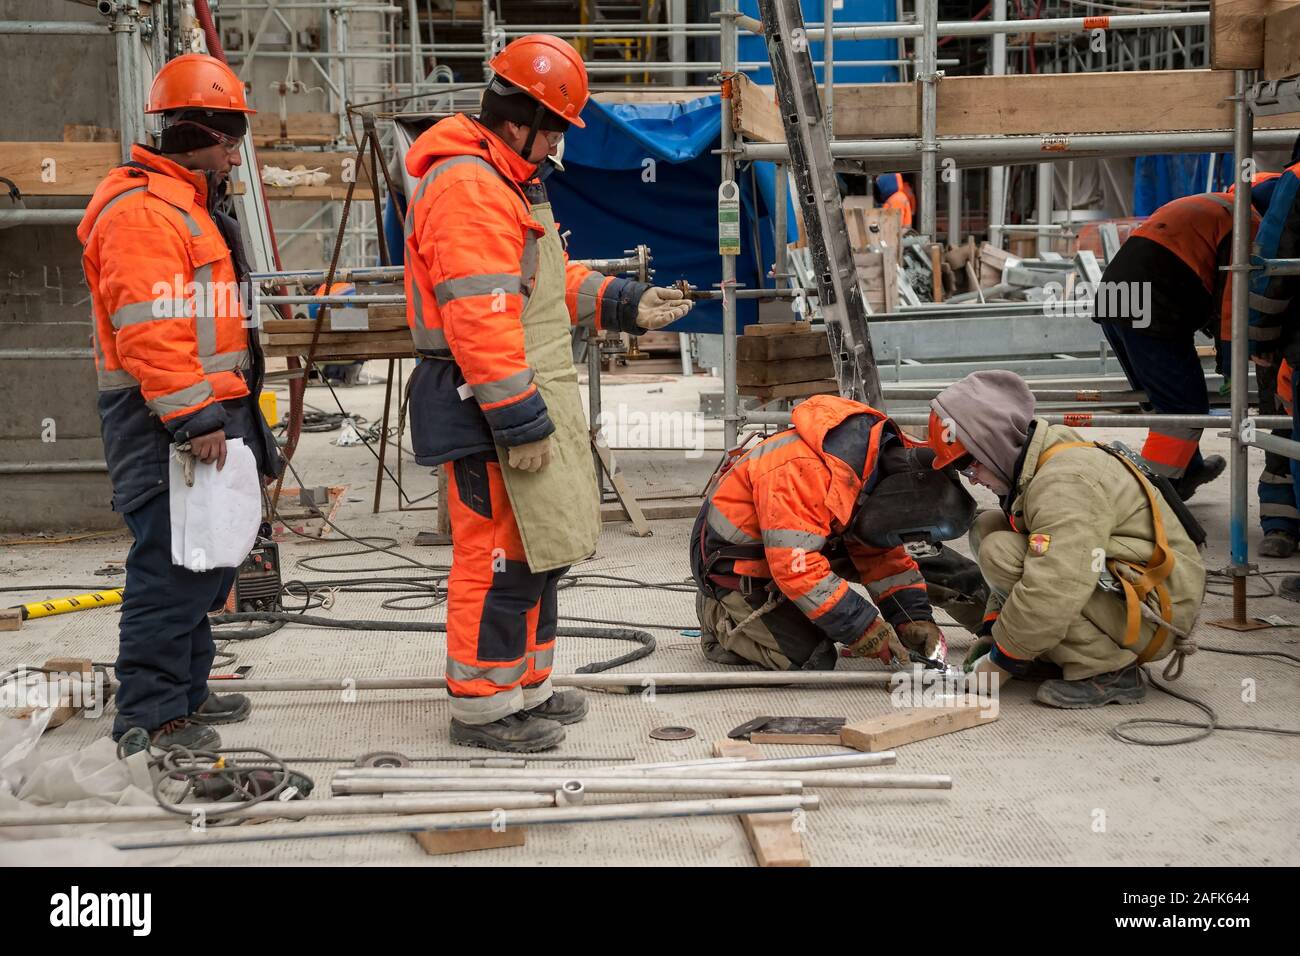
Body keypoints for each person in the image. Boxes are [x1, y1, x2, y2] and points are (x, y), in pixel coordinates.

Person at [403, 35, 693, 751]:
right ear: (519, 121)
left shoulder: (505, 182)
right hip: (486, 399)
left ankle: (523, 689)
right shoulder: (470, 187)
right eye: (556, 126)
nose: (560, 143)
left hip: (511, 391)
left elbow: (542, 287)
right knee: (498, 554)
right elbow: (479, 316)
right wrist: (519, 419)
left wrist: (626, 302)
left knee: (539, 551)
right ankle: (482, 708)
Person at [77, 54, 283, 750]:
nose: (235, 156)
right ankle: (152, 715)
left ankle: (186, 693)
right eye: (230, 142)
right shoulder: (143, 215)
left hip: (202, 410)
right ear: (199, 134)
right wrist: (193, 414)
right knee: (170, 570)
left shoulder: (184, 207)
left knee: (205, 560)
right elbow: (149, 327)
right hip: (166, 417)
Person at [928, 371, 1205, 708]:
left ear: (994, 442)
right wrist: (992, 632)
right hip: (1130, 590)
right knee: (989, 526)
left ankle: (1107, 670)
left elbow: (1054, 586)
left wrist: (999, 665)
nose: (973, 479)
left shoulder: (1065, 483)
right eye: (963, 471)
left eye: (970, 465)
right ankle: (1045, 651)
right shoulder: (1039, 455)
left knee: (1001, 552)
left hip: (1155, 615)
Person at [689, 394, 980, 671]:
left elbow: (882, 555)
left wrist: (911, 619)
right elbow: (796, 568)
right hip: (736, 563)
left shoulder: (879, 464)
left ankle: (999, 624)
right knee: (811, 658)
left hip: (805, 540)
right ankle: (717, 614)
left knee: (916, 558)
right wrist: (864, 628)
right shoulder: (801, 471)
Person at [1093, 191, 1259, 499]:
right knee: (1183, 408)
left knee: (1164, 398)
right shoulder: (1247, 221)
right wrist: (1231, 364)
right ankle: (1158, 492)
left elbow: (1201, 273)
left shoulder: (1213, 204)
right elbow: (1229, 306)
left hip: (1117, 295)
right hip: (1152, 302)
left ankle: (1188, 469)